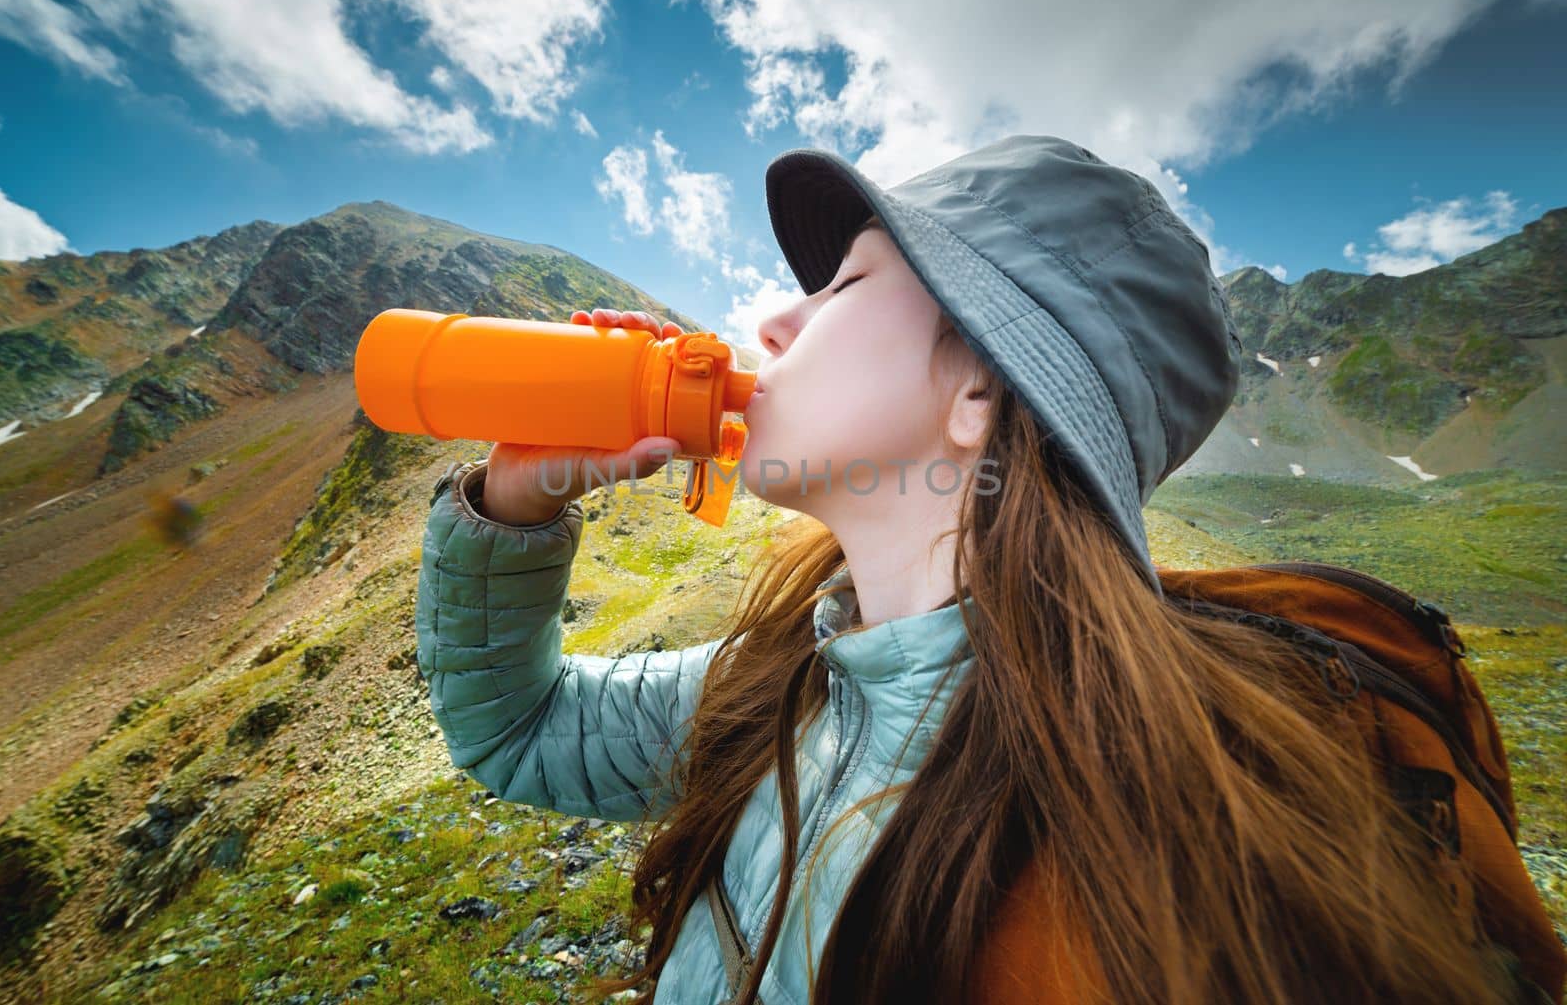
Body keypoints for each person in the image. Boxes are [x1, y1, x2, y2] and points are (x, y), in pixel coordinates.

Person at [415, 135, 1526, 1005]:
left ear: (980, 393)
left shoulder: (1138, 866)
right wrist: (517, 499)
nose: (774, 321)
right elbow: (518, 729)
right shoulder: (774, 685)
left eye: (844, 288)